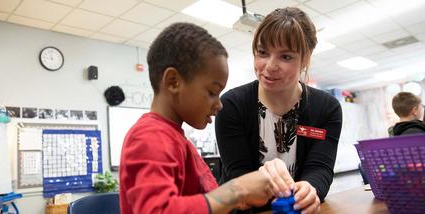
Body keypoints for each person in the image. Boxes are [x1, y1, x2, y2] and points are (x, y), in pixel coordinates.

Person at [119, 22, 294, 214]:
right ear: (173, 82)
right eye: (212, 92)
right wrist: (237, 189)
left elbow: (201, 199)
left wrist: (243, 197)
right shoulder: (149, 137)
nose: (219, 104)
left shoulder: (176, 139)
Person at [215, 7, 343, 214]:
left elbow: (320, 167)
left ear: (306, 58)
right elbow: (238, 175)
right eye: (263, 52)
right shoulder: (231, 105)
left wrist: (311, 189)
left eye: (285, 56)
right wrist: (261, 182)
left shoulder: (327, 108)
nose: (270, 66)